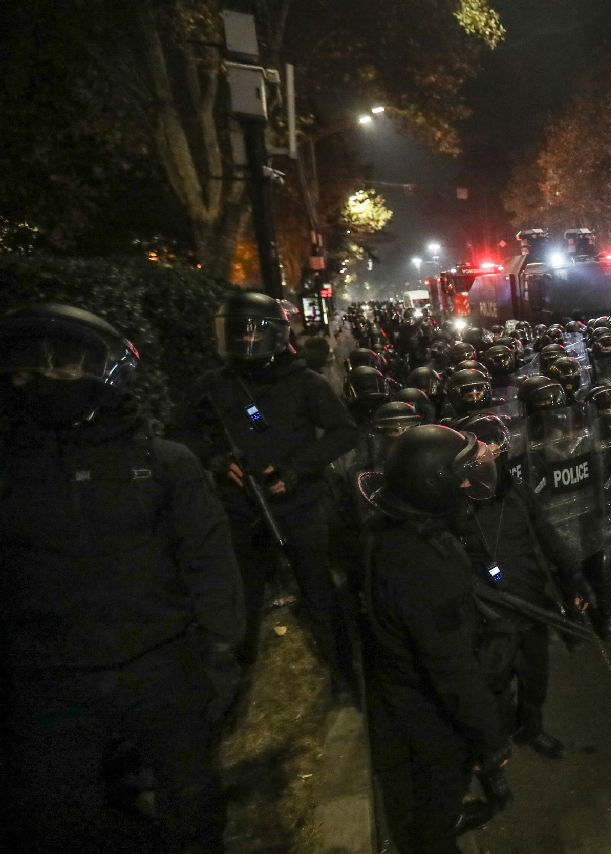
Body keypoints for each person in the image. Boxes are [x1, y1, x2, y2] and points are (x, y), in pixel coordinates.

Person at [0, 303, 244, 853]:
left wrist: (219, 653)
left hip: (162, 665)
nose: (45, 381)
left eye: (63, 368)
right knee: (68, 819)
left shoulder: (162, 464)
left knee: (192, 804)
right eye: (28, 370)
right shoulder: (11, 472)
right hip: (49, 680)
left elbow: (208, 560)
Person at [174, 290, 359, 701]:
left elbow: (344, 432)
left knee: (319, 592)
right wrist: (217, 460)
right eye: (237, 332)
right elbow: (179, 434)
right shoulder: (212, 385)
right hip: (239, 509)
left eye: (253, 332)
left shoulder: (304, 382)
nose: (246, 341)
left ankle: (343, 676)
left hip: (298, 506)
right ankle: (234, 691)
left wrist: (296, 470)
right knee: (242, 599)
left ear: (274, 334)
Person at [360, 425, 513, 853]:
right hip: (428, 705)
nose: (466, 484)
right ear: (431, 483)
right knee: (439, 795)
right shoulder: (426, 563)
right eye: (459, 476)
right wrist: (490, 739)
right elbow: (452, 670)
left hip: (400, 685)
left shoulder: (389, 525)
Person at [448, 414, 591, 758]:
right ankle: (498, 739)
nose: (492, 461)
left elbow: (548, 536)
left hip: (531, 606)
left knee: (535, 677)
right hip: (488, 618)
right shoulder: (454, 507)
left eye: (496, 453)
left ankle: (531, 729)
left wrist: (573, 579)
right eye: (484, 456)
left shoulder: (518, 493)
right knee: (495, 685)